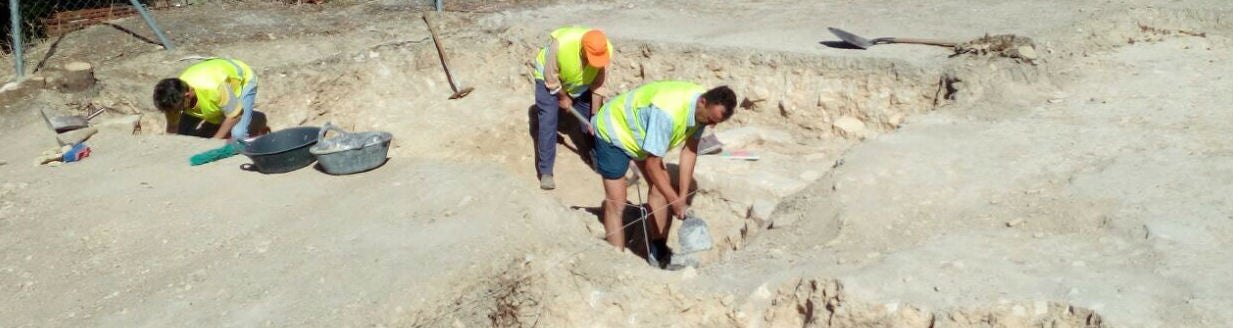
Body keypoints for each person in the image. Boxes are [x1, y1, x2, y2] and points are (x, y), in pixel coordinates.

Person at [590, 80, 737, 265]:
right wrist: (674, 201)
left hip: (641, 136)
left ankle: (658, 250)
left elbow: (690, 150)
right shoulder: (668, 113)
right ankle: (619, 263)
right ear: (703, 102)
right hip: (614, 130)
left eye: (716, 122)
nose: (711, 125)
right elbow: (652, 165)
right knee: (617, 202)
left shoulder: (703, 109)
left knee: (661, 188)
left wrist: (682, 197)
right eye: (710, 119)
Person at [532, 27, 612, 190]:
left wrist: (594, 116)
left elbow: (598, 85)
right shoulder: (562, 46)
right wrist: (563, 97)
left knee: (592, 123)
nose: (594, 62)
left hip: (577, 84)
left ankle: (597, 160)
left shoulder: (605, 49)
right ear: (583, 50)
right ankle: (546, 172)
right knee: (548, 121)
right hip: (548, 79)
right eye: (591, 58)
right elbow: (550, 77)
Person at [152, 57, 268, 141]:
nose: (176, 113)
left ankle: (257, 119)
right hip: (212, 92)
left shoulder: (214, 88)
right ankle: (219, 117)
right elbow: (172, 128)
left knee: (238, 134)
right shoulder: (173, 97)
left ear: (188, 95)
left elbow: (234, 115)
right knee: (184, 136)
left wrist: (214, 142)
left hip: (242, 79)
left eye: (178, 109)